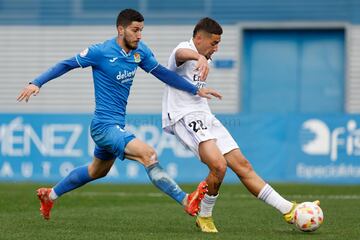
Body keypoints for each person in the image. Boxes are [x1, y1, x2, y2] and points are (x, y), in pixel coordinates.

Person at [17, 9, 223, 221]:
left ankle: (49, 195)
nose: (139, 35)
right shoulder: (101, 51)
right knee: (148, 155)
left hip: (116, 125)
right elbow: (66, 64)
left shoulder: (139, 52)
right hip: (103, 127)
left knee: (97, 171)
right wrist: (36, 83)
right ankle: (185, 200)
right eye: (135, 30)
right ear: (120, 29)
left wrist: (195, 89)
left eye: (141, 30)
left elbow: (163, 73)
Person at [162, 17, 320, 233]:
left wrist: (203, 59)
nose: (216, 48)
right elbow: (180, 55)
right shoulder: (185, 49)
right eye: (213, 43)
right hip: (184, 116)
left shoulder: (205, 58)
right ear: (198, 38)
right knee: (218, 166)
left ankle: (288, 209)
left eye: (218, 43)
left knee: (243, 165)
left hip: (205, 115)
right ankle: (203, 213)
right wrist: (198, 55)